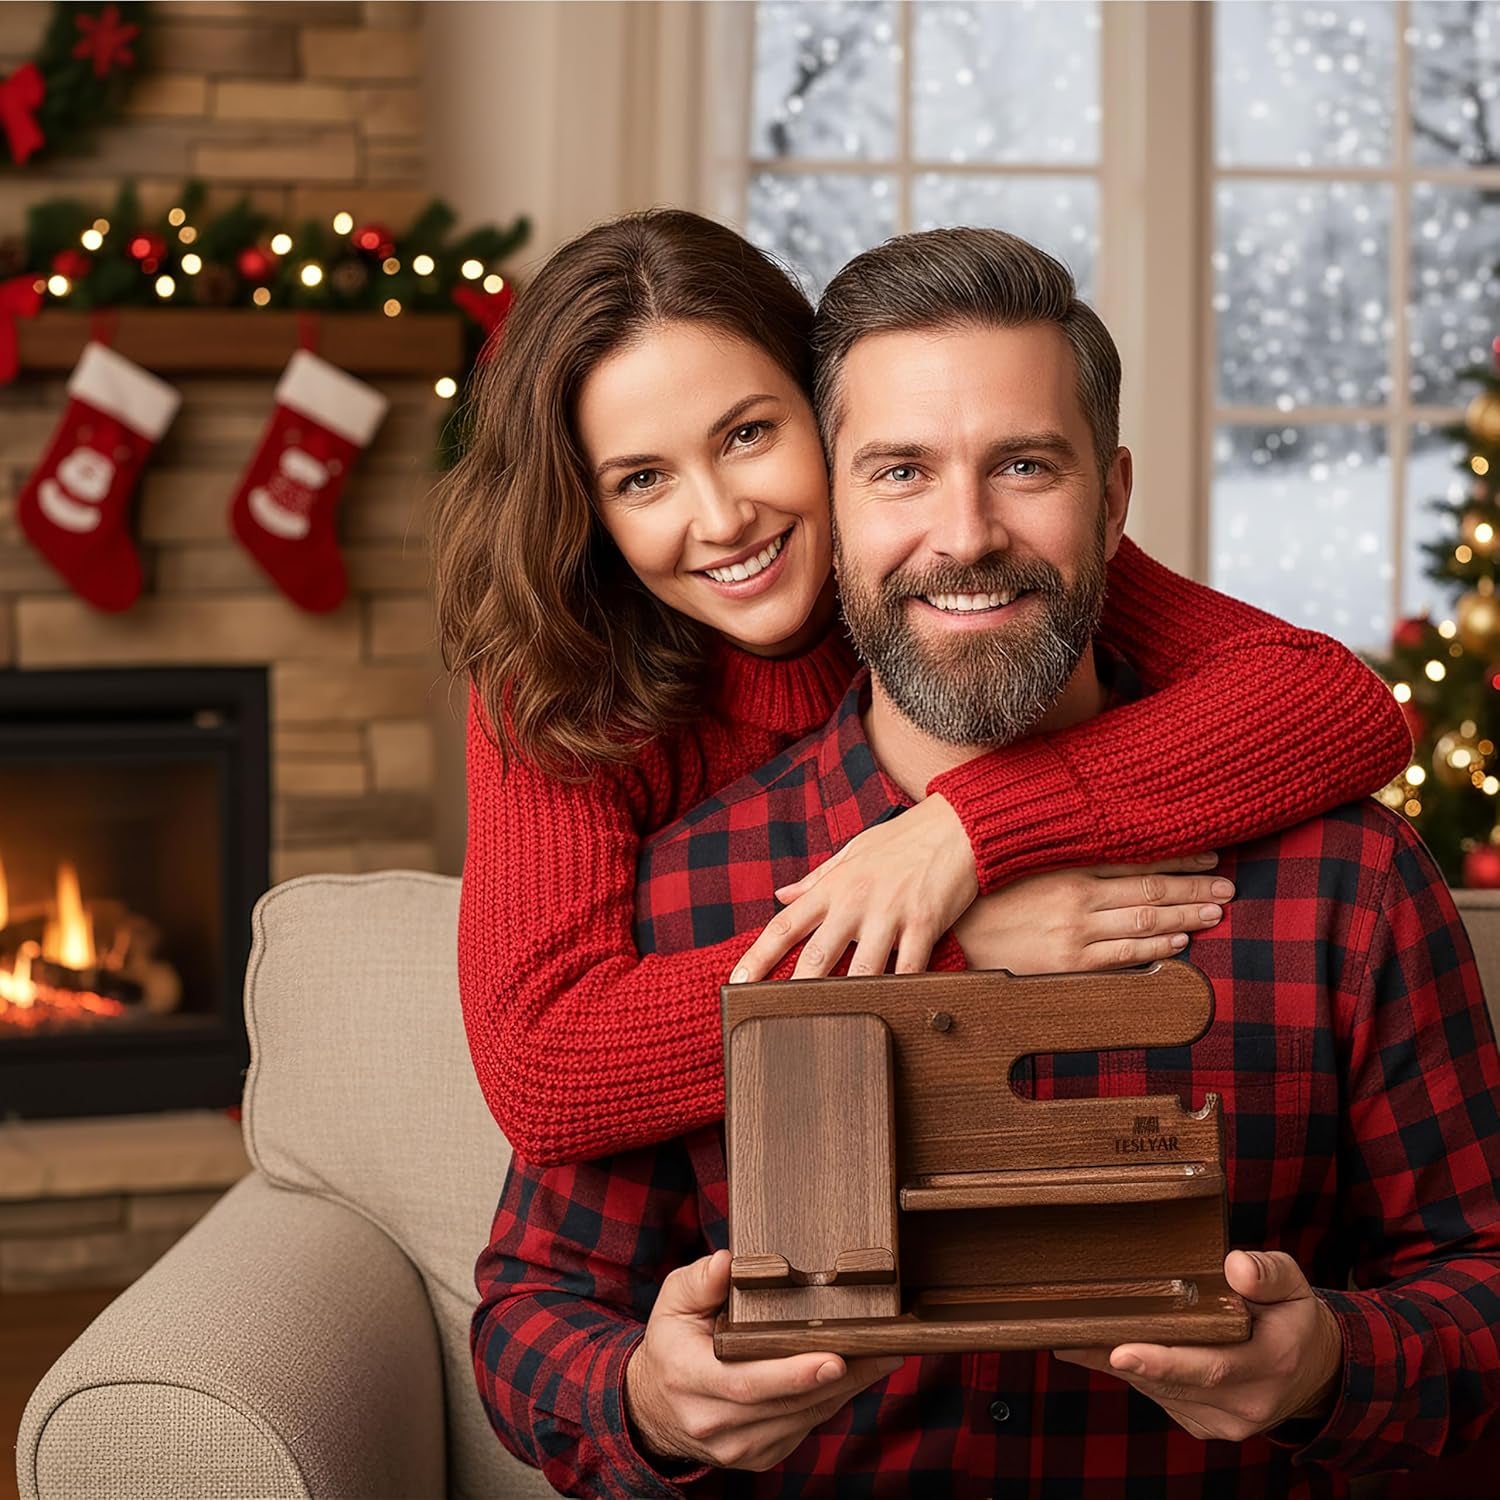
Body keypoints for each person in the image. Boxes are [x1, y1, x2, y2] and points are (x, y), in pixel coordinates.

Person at [471, 227, 1500, 1498]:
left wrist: (1332, 1367)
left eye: (1023, 464)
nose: (964, 534)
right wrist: (647, 1400)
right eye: (900, 470)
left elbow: (1484, 1283)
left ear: (1112, 498)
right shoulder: (657, 853)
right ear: (843, 505)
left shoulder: (1345, 881)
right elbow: (534, 1286)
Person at [431, 209, 1411, 1169]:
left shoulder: (961, 576)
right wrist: (955, 946)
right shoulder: (560, 686)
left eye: (746, 435)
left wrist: (968, 831)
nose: (722, 517)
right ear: (590, 508)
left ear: (824, 420)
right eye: (641, 479)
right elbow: (547, 1070)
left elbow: (1335, 703)